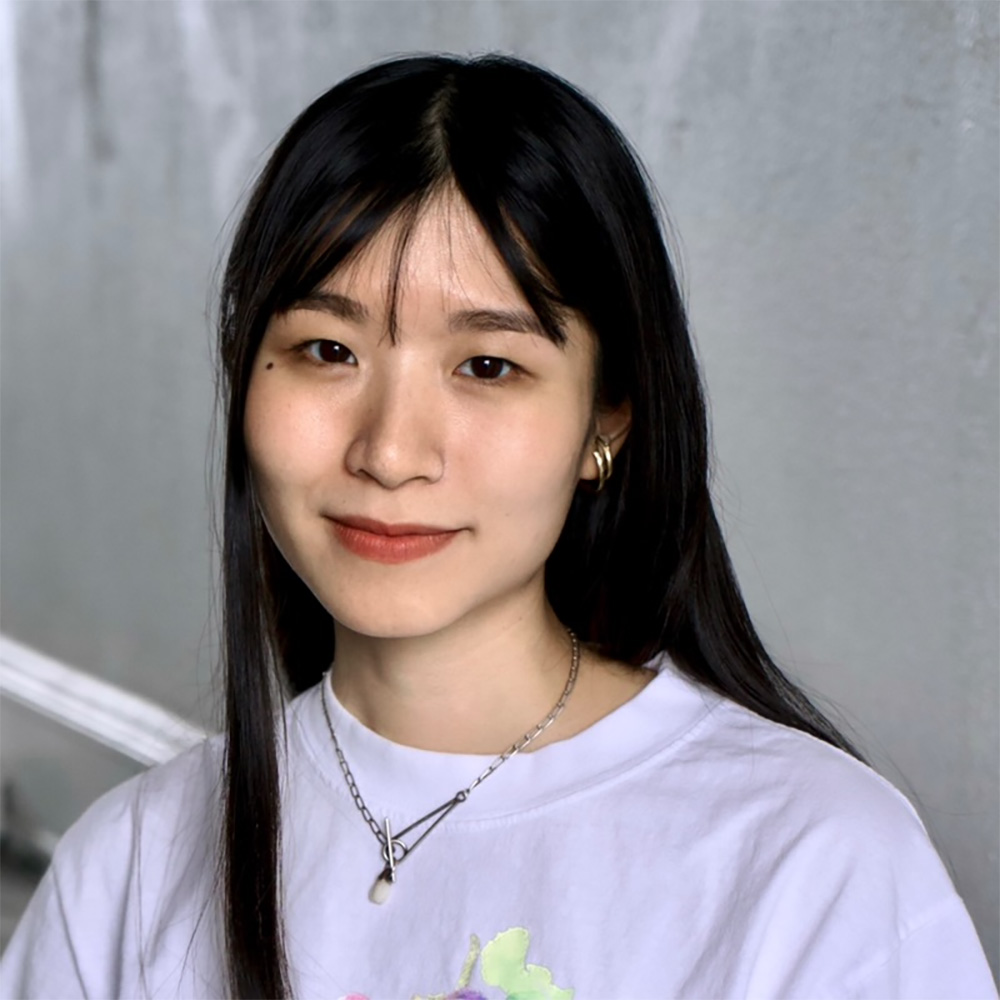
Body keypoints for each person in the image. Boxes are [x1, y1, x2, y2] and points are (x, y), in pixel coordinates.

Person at [1, 53, 995, 1000]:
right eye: (327, 350)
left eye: (487, 366)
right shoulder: (128, 868)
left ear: (607, 420)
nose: (391, 451)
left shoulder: (813, 863)